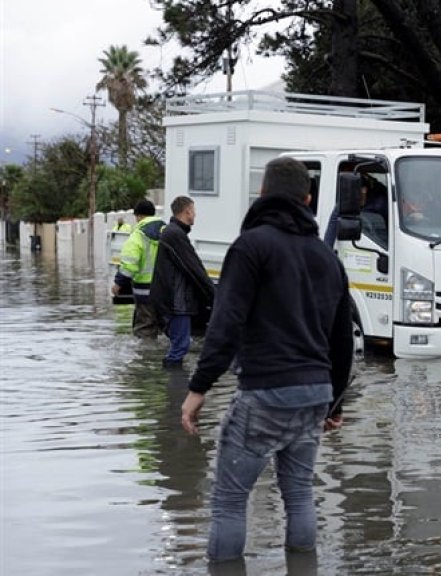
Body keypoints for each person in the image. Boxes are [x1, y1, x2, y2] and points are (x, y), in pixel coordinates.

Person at [180, 156, 354, 564]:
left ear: (262, 194)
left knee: (228, 501)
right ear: (308, 200)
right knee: (299, 494)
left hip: (266, 392)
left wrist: (198, 388)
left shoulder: (250, 246)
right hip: (314, 394)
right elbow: (342, 340)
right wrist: (335, 403)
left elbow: (225, 324)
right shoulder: (327, 258)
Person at [150, 196, 215, 368]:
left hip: (173, 301)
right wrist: (215, 296)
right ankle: (174, 388)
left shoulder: (173, 232)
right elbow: (194, 269)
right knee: (180, 346)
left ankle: (174, 387)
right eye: (194, 211)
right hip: (176, 303)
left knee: (180, 345)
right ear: (187, 211)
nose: (195, 215)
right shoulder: (175, 234)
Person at [111, 200, 164, 338]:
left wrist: (118, 284)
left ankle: (145, 358)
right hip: (166, 291)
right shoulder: (168, 231)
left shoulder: (138, 236)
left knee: (144, 330)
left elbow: (129, 265)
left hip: (144, 292)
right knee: (163, 328)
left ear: (139, 216)